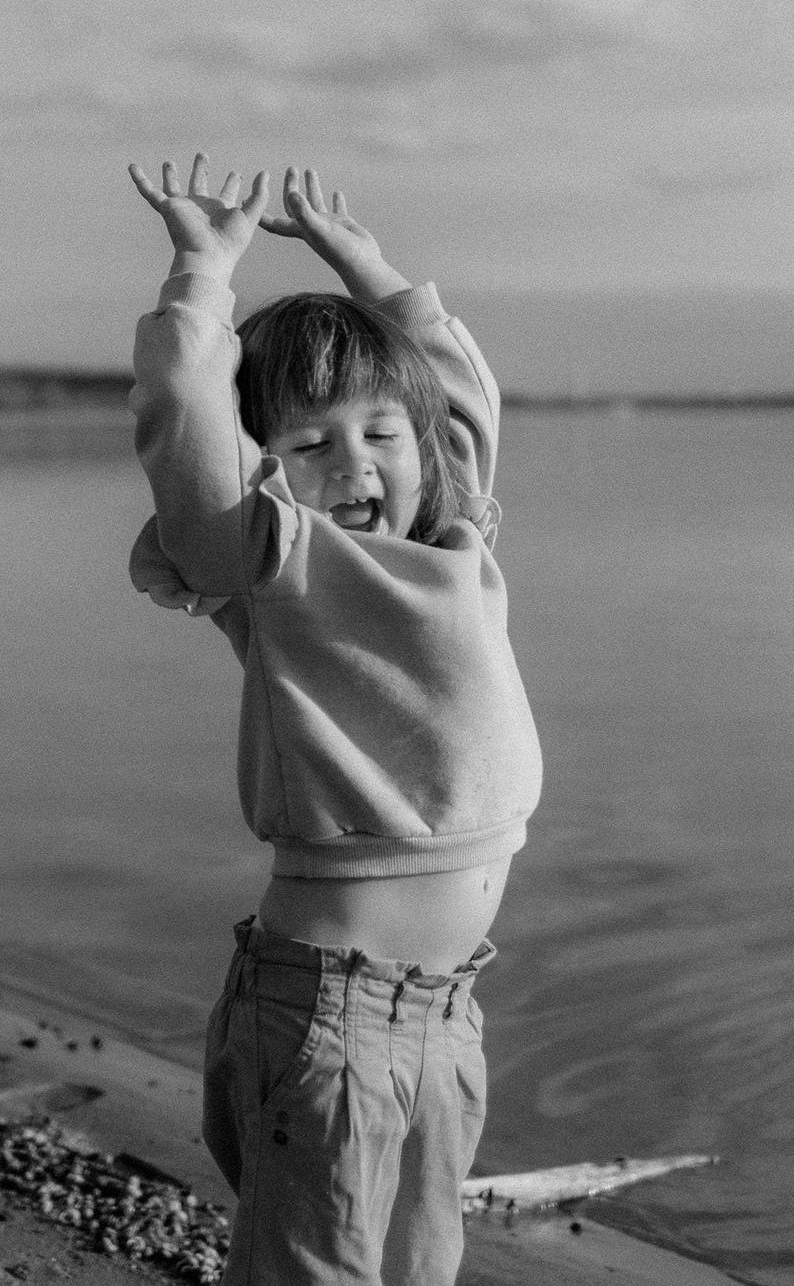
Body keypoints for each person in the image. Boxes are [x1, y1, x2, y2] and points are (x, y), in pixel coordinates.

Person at [126, 155, 543, 1286]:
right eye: (309, 445)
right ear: (267, 463)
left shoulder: (455, 548)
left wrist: (369, 268)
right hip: (330, 1012)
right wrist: (200, 281)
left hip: (446, 1010)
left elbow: (457, 398)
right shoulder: (275, 564)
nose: (353, 461)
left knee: (420, 1266)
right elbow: (190, 443)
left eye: (377, 434)